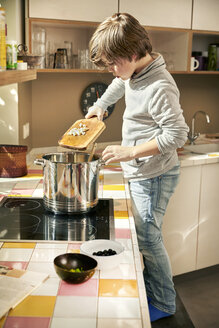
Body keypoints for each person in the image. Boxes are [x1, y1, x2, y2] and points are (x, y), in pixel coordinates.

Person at [85, 13, 189, 322]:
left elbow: (177, 135)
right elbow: (119, 82)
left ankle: (165, 302)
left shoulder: (159, 86)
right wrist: (100, 106)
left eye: (112, 62)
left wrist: (129, 152)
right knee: (146, 236)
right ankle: (152, 288)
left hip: (155, 176)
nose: (112, 70)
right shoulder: (134, 72)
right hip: (141, 171)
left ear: (132, 54)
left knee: (148, 238)